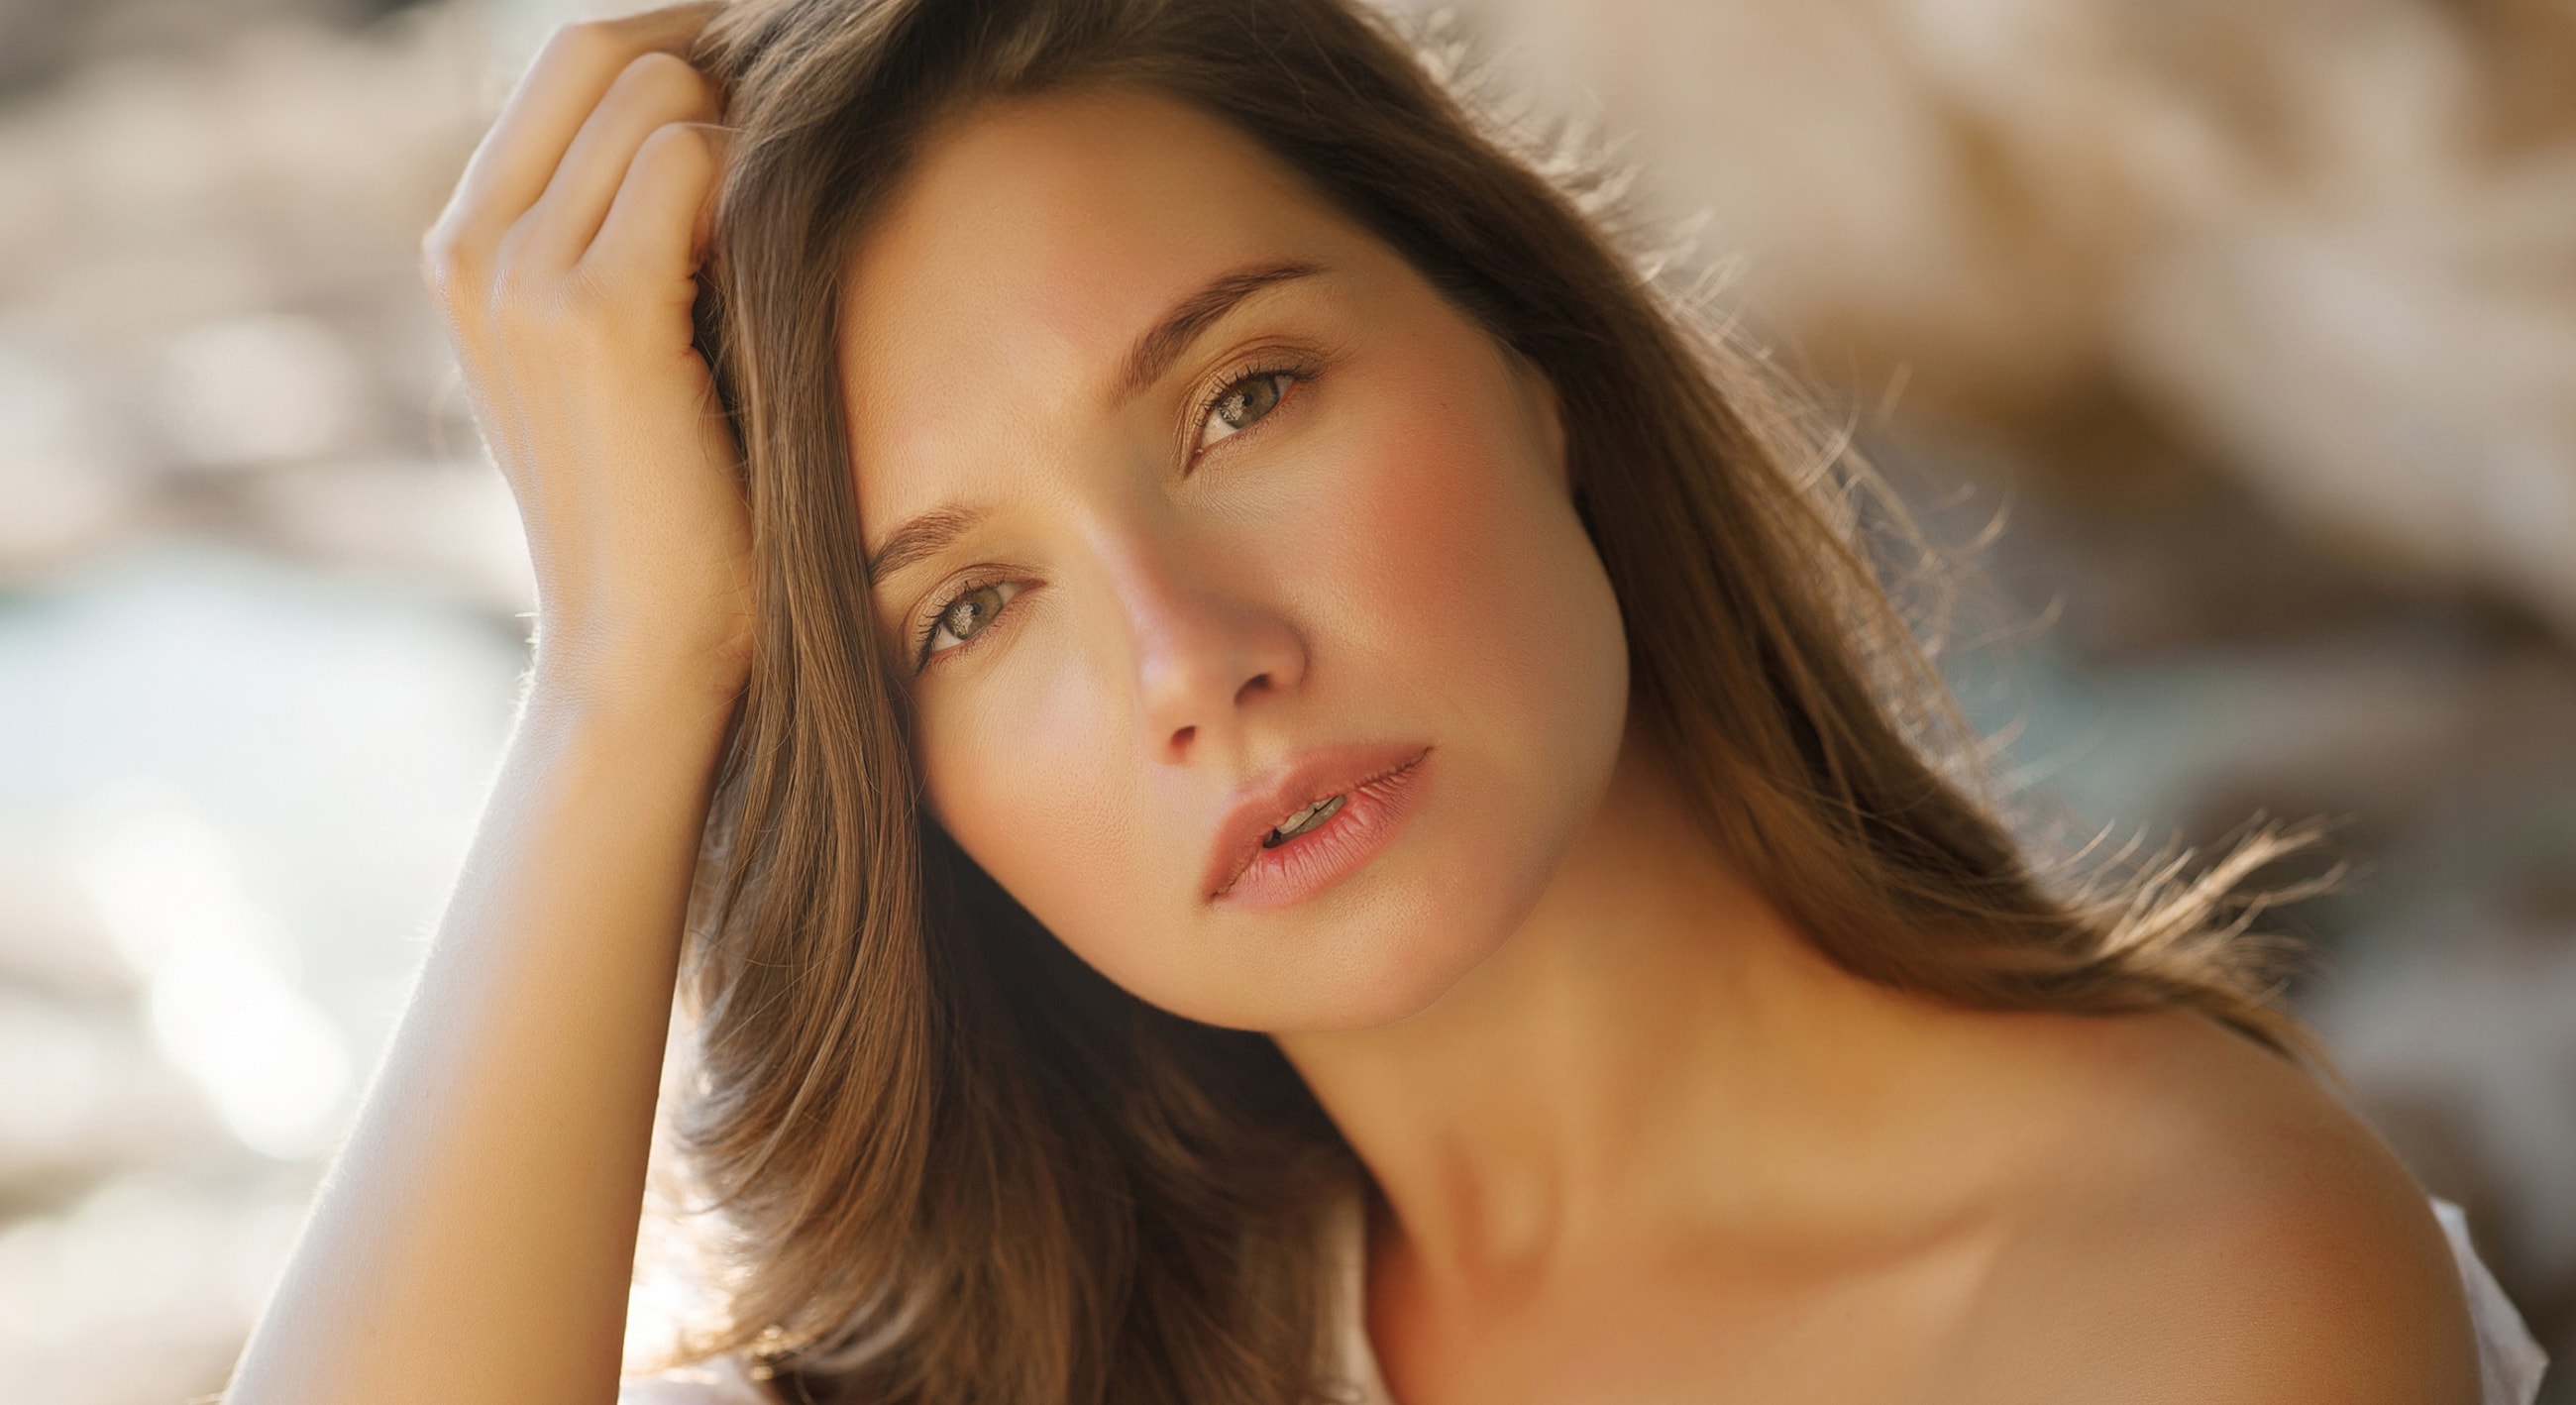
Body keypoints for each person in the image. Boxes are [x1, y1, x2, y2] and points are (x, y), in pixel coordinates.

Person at [224, 1, 2549, 1402]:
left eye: (1243, 398)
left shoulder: (2176, 1280)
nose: (1191, 658)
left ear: (1527, 361)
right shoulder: (1060, 1326)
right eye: (967, 610)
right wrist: (626, 688)